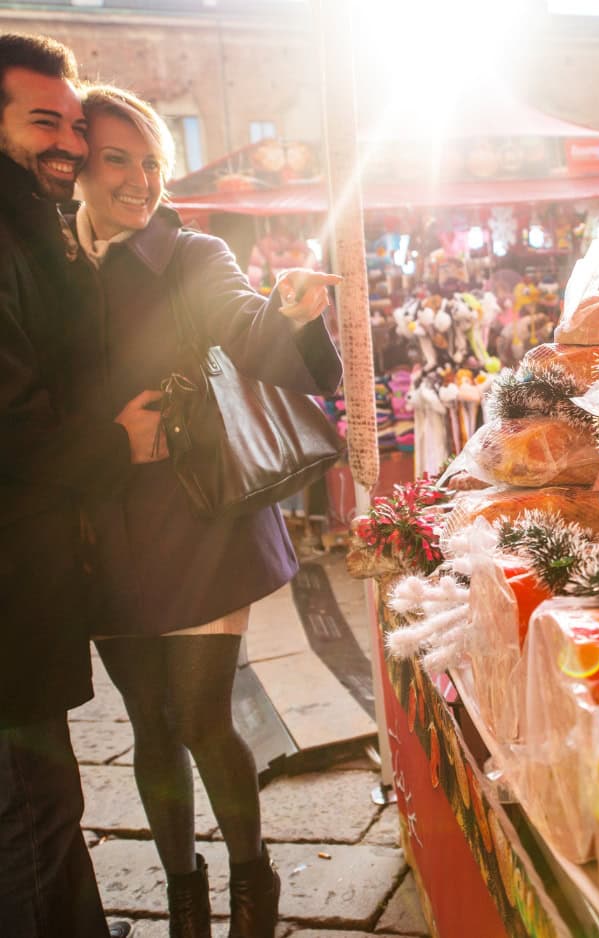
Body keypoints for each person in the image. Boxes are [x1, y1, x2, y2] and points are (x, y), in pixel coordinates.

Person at [70, 83, 342, 938]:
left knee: (198, 717)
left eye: (151, 161)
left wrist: (292, 314)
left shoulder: (191, 255)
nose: (138, 180)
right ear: (77, 162)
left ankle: (251, 885)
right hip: (101, 523)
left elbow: (252, 334)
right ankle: (182, 897)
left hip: (199, 517)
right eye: (116, 158)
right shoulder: (48, 263)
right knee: (149, 725)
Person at [0, 34, 145, 938]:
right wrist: (115, 440)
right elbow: (13, 424)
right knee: (29, 802)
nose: (69, 143)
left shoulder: (31, 229)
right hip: (9, 581)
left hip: (27, 569)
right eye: (41, 120)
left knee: (39, 793)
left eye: (73, 124)